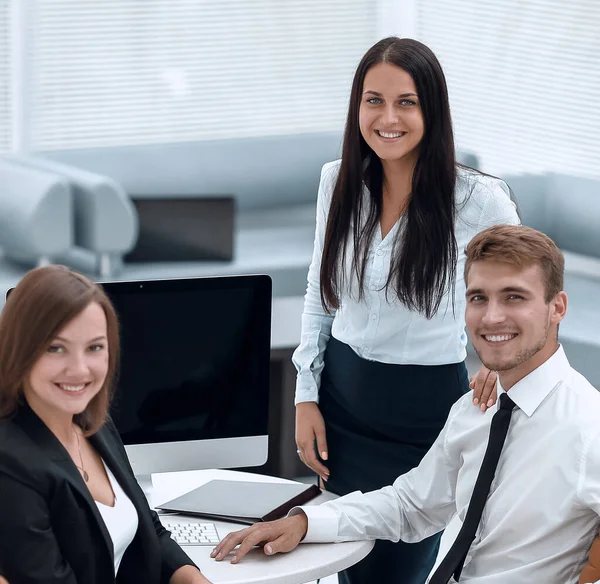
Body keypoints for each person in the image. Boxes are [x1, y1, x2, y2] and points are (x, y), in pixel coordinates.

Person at [212, 225, 600, 583]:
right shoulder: (475, 409)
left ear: (557, 307)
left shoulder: (587, 427)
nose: (492, 316)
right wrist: (306, 522)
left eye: (514, 297)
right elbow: (411, 506)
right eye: (478, 298)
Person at [292, 36, 519, 583]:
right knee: (341, 563)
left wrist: (497, 360)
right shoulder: (337, 180)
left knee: (396, 574)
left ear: (431, 110)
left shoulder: (477, 199)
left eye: (406, 102)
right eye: (373, 100)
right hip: (341, 406)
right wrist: (305, 395)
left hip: (424, 419)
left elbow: (523, 291)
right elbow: (319, 294)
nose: (387, 117)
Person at [0, 266, 212, 584]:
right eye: (56, 348)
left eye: (95, 347)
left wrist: (192, 578)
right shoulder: (10, 463)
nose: (80, 369)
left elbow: (146, 526)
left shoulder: (94, 424)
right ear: (21, 350)